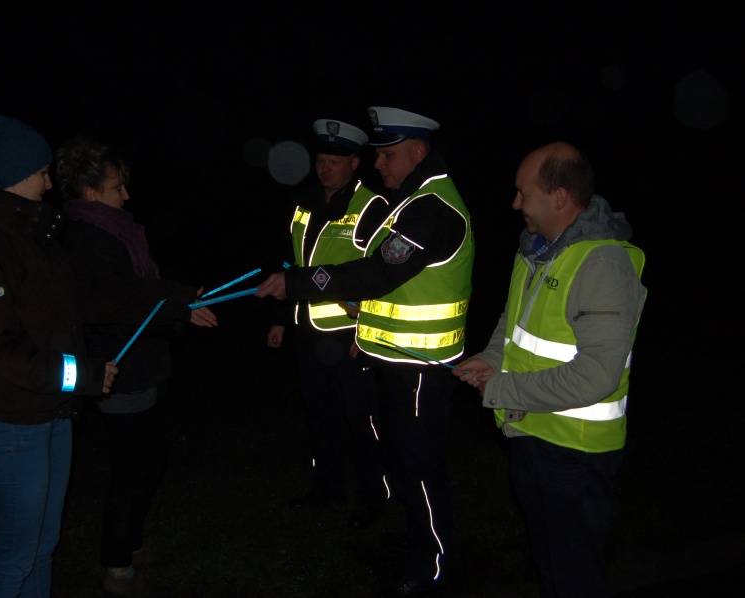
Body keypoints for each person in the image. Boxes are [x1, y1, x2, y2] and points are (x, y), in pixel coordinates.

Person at [0, 109, 217, 597]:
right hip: (12, 423)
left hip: (51, 414)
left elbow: (94, 295)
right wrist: (82, 374)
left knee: (43, 547)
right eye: (42, 172)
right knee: (14, 557)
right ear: (15, 173)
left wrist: (175, 298)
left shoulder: (34, 236)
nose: (50, 184)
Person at [257, 106, 474, 598]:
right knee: (408, 459)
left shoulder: (431, 209)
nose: (380, 164)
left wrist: (297, 283)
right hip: (398, 361)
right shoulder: (413, 201)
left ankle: (432, 568)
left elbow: (377, 273)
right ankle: (423, 541)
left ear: (417, 153)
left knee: (418, 466)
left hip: (421, 366)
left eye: (388, 154)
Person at [452, 142, 647, 598]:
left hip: (574, 454)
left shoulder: (602, 263)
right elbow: (512, 325)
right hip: (532, 435)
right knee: (550, 562)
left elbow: (595, 376)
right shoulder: (536, 250)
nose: (515, 203)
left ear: (558, 197)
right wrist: (490, 358)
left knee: (575, 572)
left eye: (523, 193)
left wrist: (502, 389)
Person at [54, 135, 175, 595]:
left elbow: (141, 291)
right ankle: (117, 568)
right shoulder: (88, 239)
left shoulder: (115, 231)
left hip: (140, 362)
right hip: (118, 368)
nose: (126, 195)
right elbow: (123, 301)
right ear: (91, 195)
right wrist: (178, 303)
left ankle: (130, 545)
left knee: (151, 460)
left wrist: (178, 301)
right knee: (133, 469)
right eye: (116, 188)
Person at [267, 118, 388, 528]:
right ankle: (326, 488)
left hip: (349, 336)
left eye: (335, 162)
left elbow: (382, 275)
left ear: (355, 163)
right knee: (319, 415)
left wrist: (367, 330)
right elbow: (290, 264)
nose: (326, 169)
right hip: (307, 333)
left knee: (362, 418)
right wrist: (282, 319)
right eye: (321, 161)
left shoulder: (372, 206)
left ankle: (374, 498)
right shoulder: (304, 203)